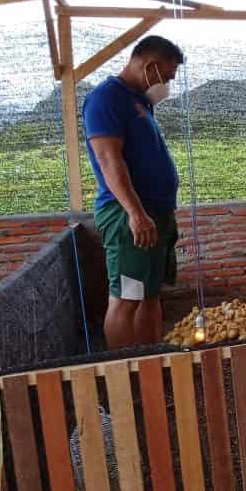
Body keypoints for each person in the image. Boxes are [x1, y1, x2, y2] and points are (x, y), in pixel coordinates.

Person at [83, 35, 184, 349]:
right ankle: (123, 375)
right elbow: (108, 159)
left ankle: (152, 363)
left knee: (149, 294)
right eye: (166, 76)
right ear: (150, 66)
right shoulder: (106, 98)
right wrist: (135, 213)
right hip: (129, 215)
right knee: (127, 297)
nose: (167, 83)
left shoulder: (139, 101)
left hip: (155, 213)